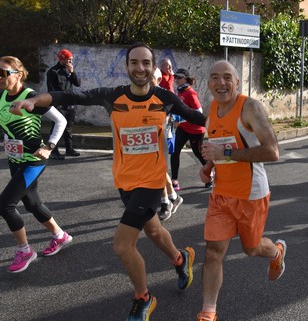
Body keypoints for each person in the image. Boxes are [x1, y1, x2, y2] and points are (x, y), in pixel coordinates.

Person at [10, 43, 203, 320]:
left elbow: (195, 117)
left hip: (151, 182)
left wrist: (231, 121)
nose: (140, 68)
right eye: (134, 63)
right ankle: (181, 259)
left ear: (152, 67)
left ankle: (144, 298)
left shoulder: (165, 98)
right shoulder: (112, 97)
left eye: (146, 63)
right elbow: (67, 95)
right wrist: (33, 101)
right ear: (127, 67)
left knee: (123, 245)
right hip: (125, 181)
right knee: (154, 231)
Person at [198, 60, 285, 321]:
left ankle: (276, 252)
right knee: (213, 252)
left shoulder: (250, 108)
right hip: (221, 193)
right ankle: (208, 311)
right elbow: (216, 142)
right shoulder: (211, 108)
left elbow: (273, 152)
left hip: (251, 194)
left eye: (227, 77)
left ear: (237, 82)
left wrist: (225, 153)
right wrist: (209, 164)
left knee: (252, 248)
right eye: (215, 77)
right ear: (209, 83)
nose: (220, 83)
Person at [0, 56, 71, 273]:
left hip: (33, 161)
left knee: (5, 204)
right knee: (31, 203)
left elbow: (61, 120)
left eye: (4, 73)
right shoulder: (2, 95)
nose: (0, 78)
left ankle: (25, 250)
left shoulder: (30, 97)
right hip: (15, 159)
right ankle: (60, 236)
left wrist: (49, 146)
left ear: (19, 75)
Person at [149, 67, 183, 222]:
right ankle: (173, 197)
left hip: (164, 138)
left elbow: (180, 115)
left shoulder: (165, 96)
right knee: (159, 172)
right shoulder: (141, 95)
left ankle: (166, 203)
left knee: (157, 172)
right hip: (149, 140)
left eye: (150, 79)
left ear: (158, 80)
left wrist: (170, 118)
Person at [170, 68, 208, 192]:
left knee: (198, 154)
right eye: (175, 77)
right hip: (184, 128)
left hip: (196, 130)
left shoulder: (190, 93)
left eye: (179, 78)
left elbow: (199, 112)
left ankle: (210, 175)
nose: (176, 80)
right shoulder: (180, 91)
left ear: (185, 79)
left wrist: (180, 119)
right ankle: (174, 181)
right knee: (175, 152)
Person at [46, 49, 82, 159]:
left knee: (69, 128)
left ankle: (69, 148)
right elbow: (51, 90)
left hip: (70, 103)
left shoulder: (69, 70)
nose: (70, 62)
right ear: (62, 59)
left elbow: (78, 84)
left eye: (71, 59)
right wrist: (56, 104)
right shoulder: (53, 72)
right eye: (68, 59)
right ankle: (53, 151)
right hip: (59, 104)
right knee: (57, 127)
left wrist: (72, 72)